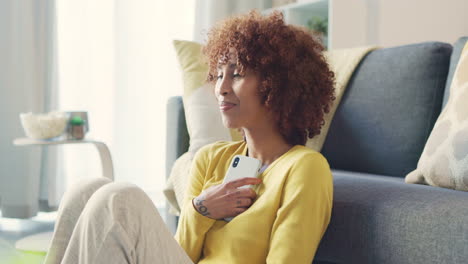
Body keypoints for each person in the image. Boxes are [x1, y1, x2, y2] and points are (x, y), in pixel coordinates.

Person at [43, 10, 335, 264]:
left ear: (279, 85)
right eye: (219, 74)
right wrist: (200, 209)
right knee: (87, 189)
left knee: (120, 199)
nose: (221, 88)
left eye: (237, 73)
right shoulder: (212, 158)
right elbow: (182, 253)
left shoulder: (304, 168)